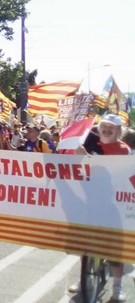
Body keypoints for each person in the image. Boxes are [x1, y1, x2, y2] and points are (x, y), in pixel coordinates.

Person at [72, 114, 130, 301]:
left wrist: (86, 157)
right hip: (92, 199)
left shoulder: (123, 149)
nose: (106, 130)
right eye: (103, 126)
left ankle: (117, 288)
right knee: (85, 242)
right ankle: (83, 280)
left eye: (111, 127)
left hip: (115, 202)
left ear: (118, 131)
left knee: (114, 248)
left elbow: (109, 168)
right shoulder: (92, 144)